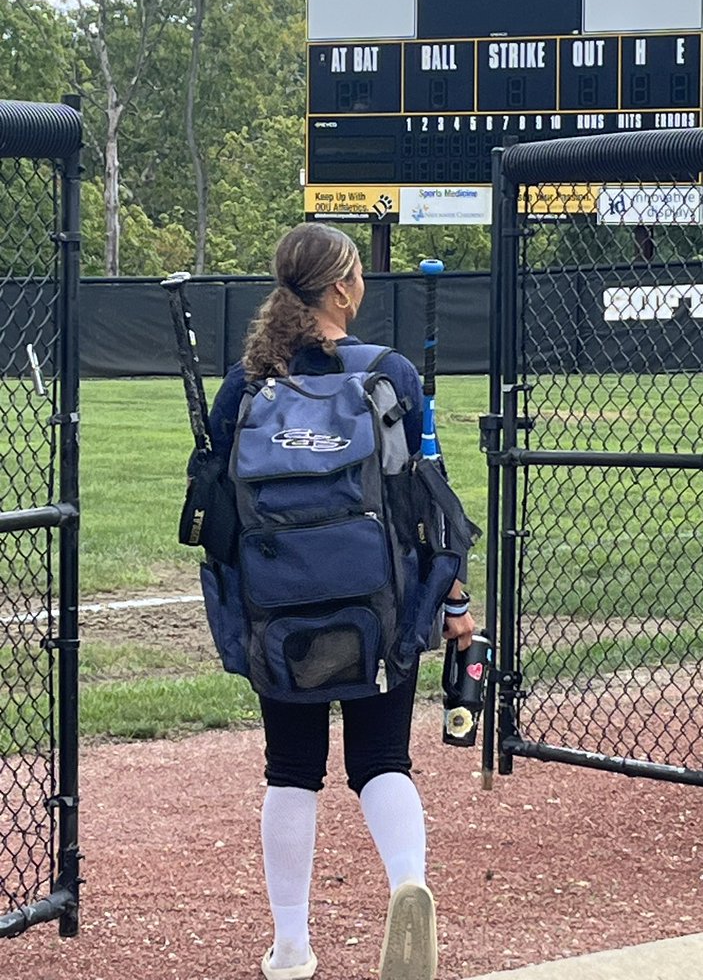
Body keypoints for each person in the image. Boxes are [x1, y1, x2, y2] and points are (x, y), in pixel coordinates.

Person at [207, 223, 475, 980]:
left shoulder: (245, 383)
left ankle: (291, 946)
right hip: (379, 603)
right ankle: (407, 886)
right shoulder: (389, 374)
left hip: (278, 611)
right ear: (343, 289)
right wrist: (454, 600)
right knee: (382, 757)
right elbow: (430, 505)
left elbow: (215, 518)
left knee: (291, 767)